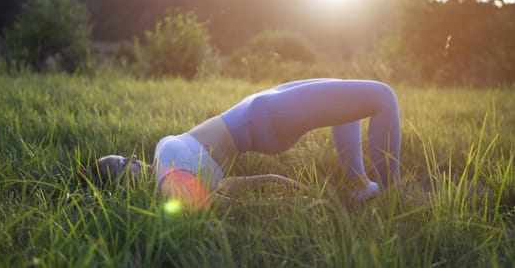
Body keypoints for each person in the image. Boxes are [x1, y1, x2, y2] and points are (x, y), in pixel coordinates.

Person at [89, 79, 401, 209]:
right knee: (382, 97)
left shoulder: (172, 169)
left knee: (343, 96)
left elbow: (232, 187)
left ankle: (357, 183)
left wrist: (276, 182)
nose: (131, 158)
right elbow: (193, 205)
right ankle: (393, 197)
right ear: (123, 185)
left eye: (124, 156)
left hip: (257, 111)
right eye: (122, 164)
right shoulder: (167, 175)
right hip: (264, 116)